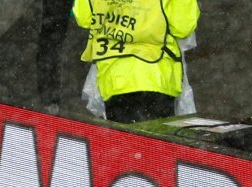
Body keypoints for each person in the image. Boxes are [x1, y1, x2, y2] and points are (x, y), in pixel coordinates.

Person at [71, 0, 200, 123]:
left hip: (114, 78)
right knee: (154, 144)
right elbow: (183, 26)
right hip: (156, 76)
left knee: (124, 143)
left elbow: (84, 17)